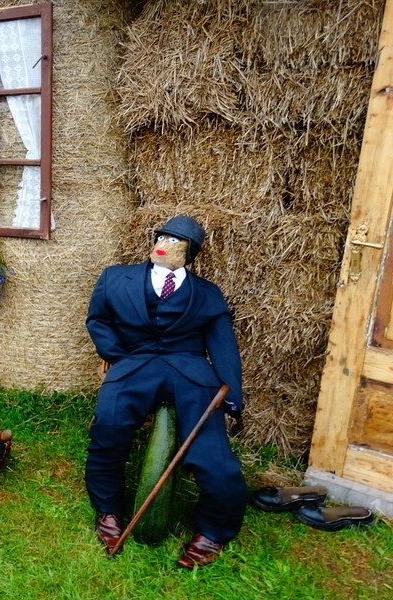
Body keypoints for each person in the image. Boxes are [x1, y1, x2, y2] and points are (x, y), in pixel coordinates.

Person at [85, 215, 247, 568]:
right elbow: (98, 320)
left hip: (189, 370)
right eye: (163, 237)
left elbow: (223, 345)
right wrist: (118, 356)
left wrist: (232, 394)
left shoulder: (208, 294)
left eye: (176, 241)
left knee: (212, 452)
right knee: (108, 429)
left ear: (190, 254)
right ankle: (108, 509)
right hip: (134, 363)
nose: (165, 244)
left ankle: (214, 529)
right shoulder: (115, 278)